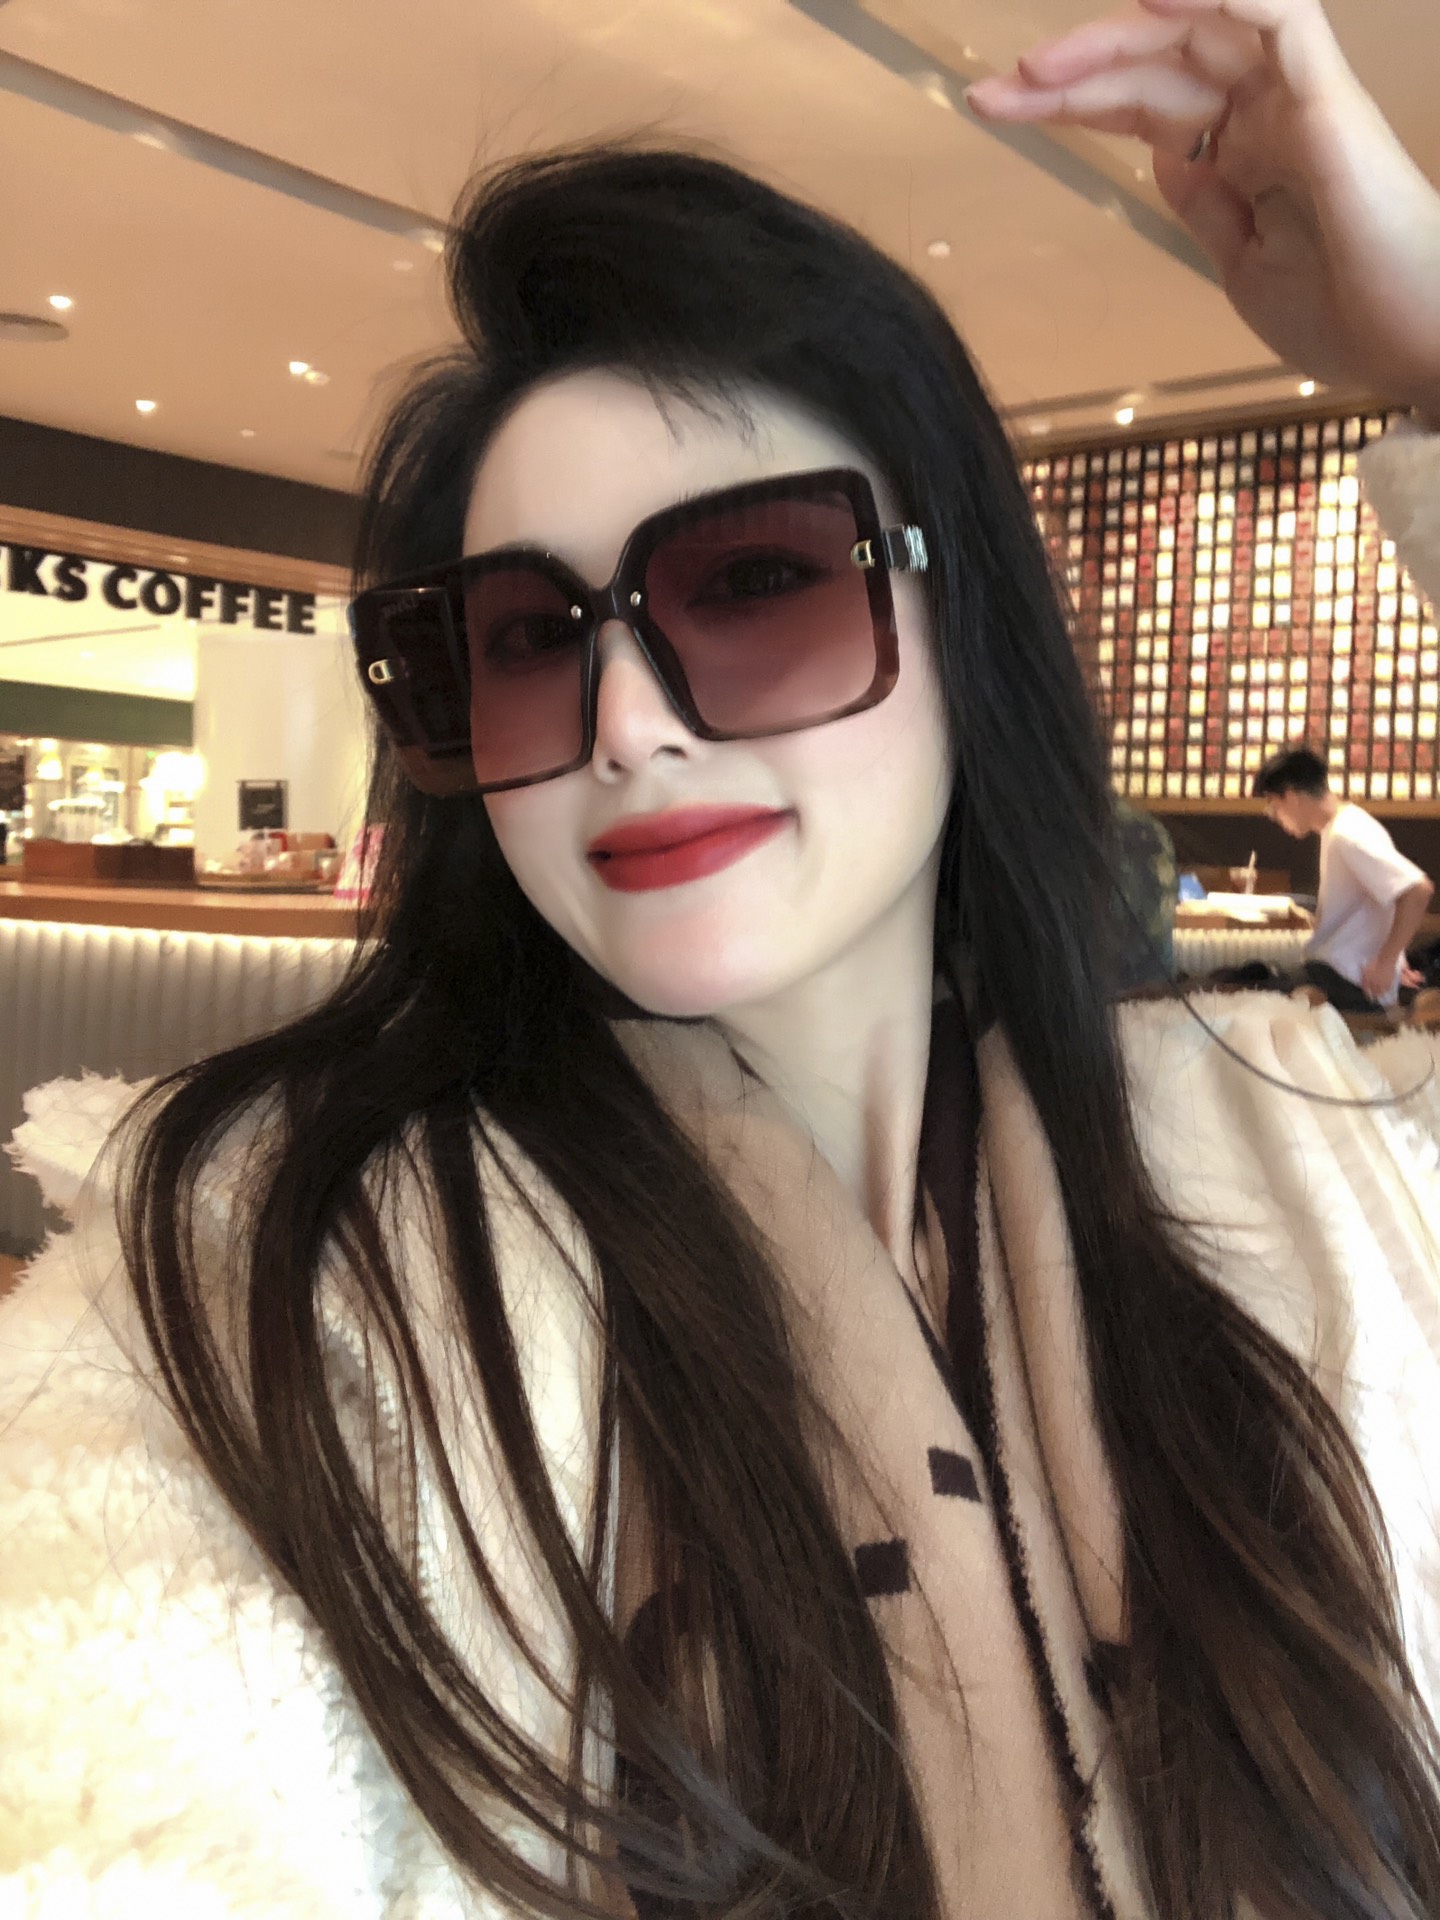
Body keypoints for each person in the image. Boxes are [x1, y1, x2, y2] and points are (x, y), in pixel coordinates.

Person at [3, 7, 1440, 1920]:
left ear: (969, 629)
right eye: (527, 639)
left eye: (755, 583)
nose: (626, 724)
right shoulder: (263, 1274)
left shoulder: (1333, 1160)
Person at [1251, 744, 1434, 1009]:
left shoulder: (1347, 834)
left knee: (1243, 996)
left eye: (1274, 807)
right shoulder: (1342, 826)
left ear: (1290, 796)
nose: (1276, 818)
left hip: (1344, 980)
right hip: (1340, 973)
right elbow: (1384, 901)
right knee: (1250, 978)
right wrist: (1394, 961)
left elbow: (1417, 890)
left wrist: (1386, 963)